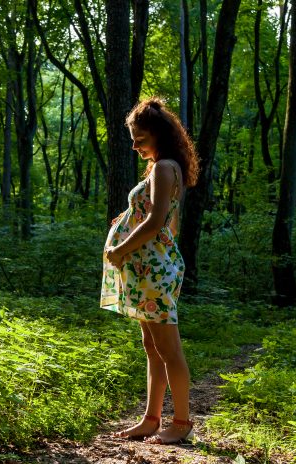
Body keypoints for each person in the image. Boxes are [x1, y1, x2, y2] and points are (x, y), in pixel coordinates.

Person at [100, 97, 200, 445]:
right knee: (152, 346)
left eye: (139, 137)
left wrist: (120, 248)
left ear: (157, 133)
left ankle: (182, 422)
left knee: (169, 348)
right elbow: (167, 220)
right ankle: (151, 418)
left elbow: (157, 221)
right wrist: (127, 222)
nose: (134, 144)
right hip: (151, 269)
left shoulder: (163, 168)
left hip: (153, 271)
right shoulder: (166, 167)